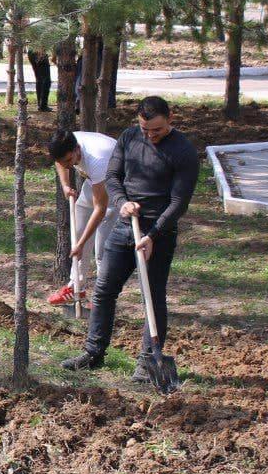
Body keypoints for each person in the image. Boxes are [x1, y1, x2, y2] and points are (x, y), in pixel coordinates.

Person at [62, 96, 199, 385]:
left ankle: (148, 361)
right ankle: (93, 352)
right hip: (126, 226)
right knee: (104, 290)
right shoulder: (129, 137)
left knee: (153, 296)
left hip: (159, 233)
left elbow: (179, 202)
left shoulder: (183, 151)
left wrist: (153, 235)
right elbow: (113, 176)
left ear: (170, 119)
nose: (150, 136)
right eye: (145, 129)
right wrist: (123, 202)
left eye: (157, 131)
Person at [46, 129, 117, 305]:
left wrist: (81, 244)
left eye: (70, 160)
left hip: (118, 184)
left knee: (102, 248)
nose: (68, 165)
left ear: (77, 149)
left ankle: (103, 296)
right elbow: (60, 162)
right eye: (65, 162)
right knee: (80, 214)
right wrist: (65, 185)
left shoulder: (97, 159)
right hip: (95, 181)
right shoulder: (65, 143)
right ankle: (76, 287)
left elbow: (100, 208)